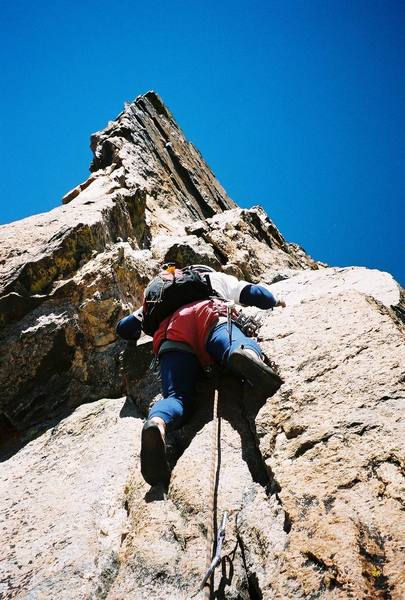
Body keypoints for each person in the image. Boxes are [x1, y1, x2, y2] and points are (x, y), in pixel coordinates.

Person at [116, 264, 286, 487]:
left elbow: (124, 328)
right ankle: (245, 355)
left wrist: (135, 331)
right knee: (233, 343)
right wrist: (275, 301)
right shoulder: (212, 278)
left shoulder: (158, 294)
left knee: (176, 397)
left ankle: (157, 424)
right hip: (210, 314)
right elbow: (251, 293)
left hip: (171, 331)